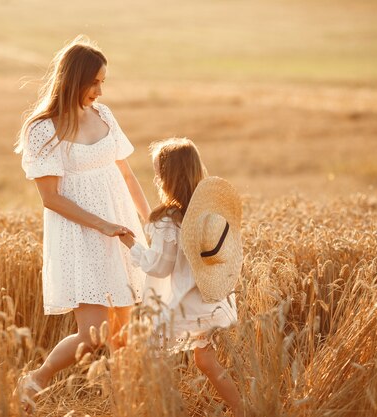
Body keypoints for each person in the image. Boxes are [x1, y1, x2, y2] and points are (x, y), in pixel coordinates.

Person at [14, 35, 151, 406]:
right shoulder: (43, 129)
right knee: (93, 335)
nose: (101, 92)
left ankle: (126, 403)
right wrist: (101, 225)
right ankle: (35, 379)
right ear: (74, 80)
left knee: (122, 332)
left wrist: (148, 219)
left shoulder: (104, 116)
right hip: (80, 235)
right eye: (95, 83)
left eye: (103, 82)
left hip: (120, 228)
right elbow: (51, 198)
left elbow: (126, 174)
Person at [118, 138, 245, 416]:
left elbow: (160, 268)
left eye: (158, 173)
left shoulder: (168, 219)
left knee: (151, 357)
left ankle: (165, 410)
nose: (156, 178)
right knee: (206, 360)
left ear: (168, 177)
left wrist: (132, 245)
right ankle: (243, 409)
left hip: (186, 305)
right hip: (211, 300)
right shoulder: (207, 214)